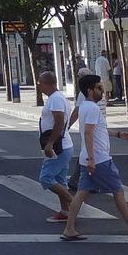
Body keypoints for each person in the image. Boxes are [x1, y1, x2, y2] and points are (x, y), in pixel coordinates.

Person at [60, 74, 128, 241]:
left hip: (88, 158)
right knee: (118, 190)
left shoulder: (84, 107)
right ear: (90, 90)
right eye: (99, 88)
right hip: (99, 159)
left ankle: (69, 229)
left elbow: (96, 130)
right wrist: (91, 159)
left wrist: (117, 134)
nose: (102, 91)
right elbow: (88, 133)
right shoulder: (93, 108)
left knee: (81, 194)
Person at [34, 71, 75, 222]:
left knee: (46, 178)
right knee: (60, 179)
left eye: (40, 83)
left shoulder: (56, 99)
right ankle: (65, 211)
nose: (39, 86)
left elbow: (59, 121)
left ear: (46, 83)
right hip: (63, 145)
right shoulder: (56, 98)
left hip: (59, 146)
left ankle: (74, 203)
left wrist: (50, 143)